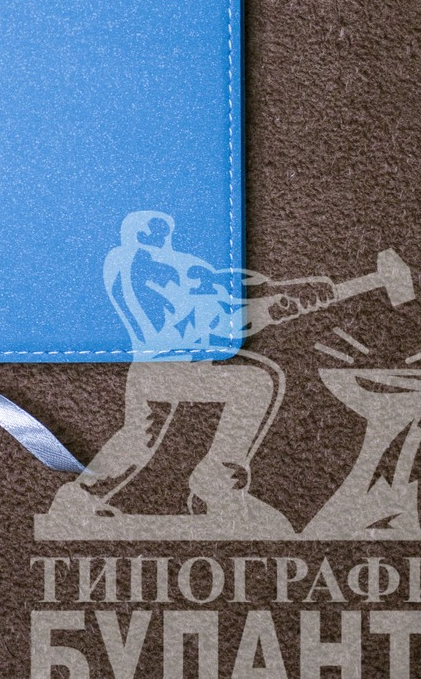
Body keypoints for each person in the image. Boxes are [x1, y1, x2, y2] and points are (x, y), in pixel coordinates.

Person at [49, 211, 334, 534]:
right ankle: (216, 480)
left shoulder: (138, 265)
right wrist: (268, 307)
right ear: (140, 236)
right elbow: (201, 307)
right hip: (166, 368)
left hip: (150, 370)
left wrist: (279, 292)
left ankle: (77, 499)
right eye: (160, 235)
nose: (168, 244)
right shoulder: (142, 268)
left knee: (138, 440)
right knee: (253, 384)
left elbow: (213, 282)